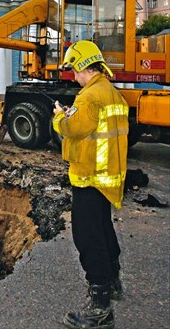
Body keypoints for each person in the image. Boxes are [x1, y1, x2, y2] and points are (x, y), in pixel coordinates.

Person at [52, 40, 129, 329]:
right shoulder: (111, 93)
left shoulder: (89, 96)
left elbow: (73, 129)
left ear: (84, 66)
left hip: (89, 176)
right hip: (107, 177)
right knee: (104, 230)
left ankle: (101, 307)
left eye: (74, 68)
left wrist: (60, 116)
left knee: (88, 237)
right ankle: (113, 282)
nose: (73, 74)